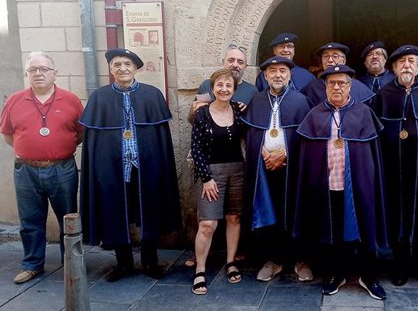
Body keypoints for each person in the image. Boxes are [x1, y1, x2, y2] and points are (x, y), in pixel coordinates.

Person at [80, 48, 181, 282]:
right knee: (114, 211)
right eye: (117, 64)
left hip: (146, 166)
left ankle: (150, 262)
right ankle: (123, 263)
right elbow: (93, 143)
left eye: (127, 64)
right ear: (111, 69)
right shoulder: (99, 97)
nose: (122, 68)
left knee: (150, 211)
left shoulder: (152, 95)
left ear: (136, 68)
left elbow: (161, 139)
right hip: (112, 168)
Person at [293, 64, 388, 300]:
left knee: (365, 229)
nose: (337, 87)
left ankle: (369, 276)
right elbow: (307, 156)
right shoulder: (315, 114)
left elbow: (374, 154)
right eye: (332, 83)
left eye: (342, 83)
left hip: (359, 183)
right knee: (332, 230)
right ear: (325, 87)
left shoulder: (363, 113)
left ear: (350, 86)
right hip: (326, 184)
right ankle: (336, 274)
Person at [1, 52, 84, 284]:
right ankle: (32, 264)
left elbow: (80, 133)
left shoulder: (71, 100)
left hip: (62, 168)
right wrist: (30, 151)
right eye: (33, 70)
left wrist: (58, 149)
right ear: (27, 74)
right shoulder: (15, 100)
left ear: (55, 73)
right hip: (26, 170)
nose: (38, 73)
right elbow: (8, 135)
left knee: (68, 217)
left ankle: (70, 263)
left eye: (44, 69)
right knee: (30, 220)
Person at [369, 44, 418, 286]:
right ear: (393, 67)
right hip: (394, 167)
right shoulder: (384, 94)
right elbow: (375, 132)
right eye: (401, 61)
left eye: (412, 61)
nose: (407, 65)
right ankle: (400, 265)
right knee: (397, 215)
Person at [242, 56, 312, 282]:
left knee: (294, 212)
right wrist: (264, 154)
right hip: (263, 167)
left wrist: (284, 155)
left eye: (282, 70)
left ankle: (300, 260)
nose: (278, 75)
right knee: (267, 212)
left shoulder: (301, 101)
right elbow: (252, 135)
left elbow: (305, 138)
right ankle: (273, 260)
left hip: (292, 168)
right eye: (272, 71)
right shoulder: (257, 100)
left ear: (289, 74)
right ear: (265, 75)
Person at [189, 68, 246, 294]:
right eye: (219, 85)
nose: (224, 89)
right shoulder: (202, 115)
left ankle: (231, 261)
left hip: (238, 170)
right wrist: (207, 178)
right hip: (211, 173)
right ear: (212, 89)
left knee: (234, 217)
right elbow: (197, 149)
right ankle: (200, 270)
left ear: (234, 89)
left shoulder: (238, 111)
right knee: (207, 224)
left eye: (228, 85)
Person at [187, 43, 258, 123]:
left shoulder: (252, 91)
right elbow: (191, 120)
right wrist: (192, 112)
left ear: (245, 66)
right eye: (231, 60)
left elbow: (255, 122)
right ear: (223, 62)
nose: (235, 65)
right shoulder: (207, 85)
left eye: (240, 62)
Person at [300, 42, 374, 107]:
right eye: (326, 56)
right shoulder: (312, 87)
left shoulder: (358, 87)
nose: (330, 60)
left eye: (335, 56)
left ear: (344, 60)